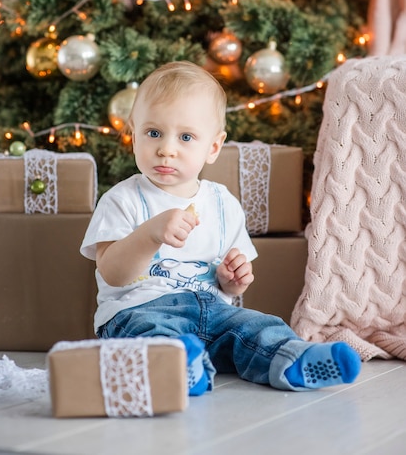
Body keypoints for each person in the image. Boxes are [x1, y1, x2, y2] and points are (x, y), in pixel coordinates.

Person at [80, 60, 361, 394]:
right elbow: (112, 273)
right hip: (139, 309)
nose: (166, 149)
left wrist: (233, 280)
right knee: (149, 333)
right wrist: (150, 233)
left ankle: (293, 360)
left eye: (186, 137)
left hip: (213, 311)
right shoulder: (122, 199)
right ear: (134, 134)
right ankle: (180, 366)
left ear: (212, 147)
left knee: (258, 326)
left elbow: (230, 279)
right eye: (153, 133)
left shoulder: (222, 203)